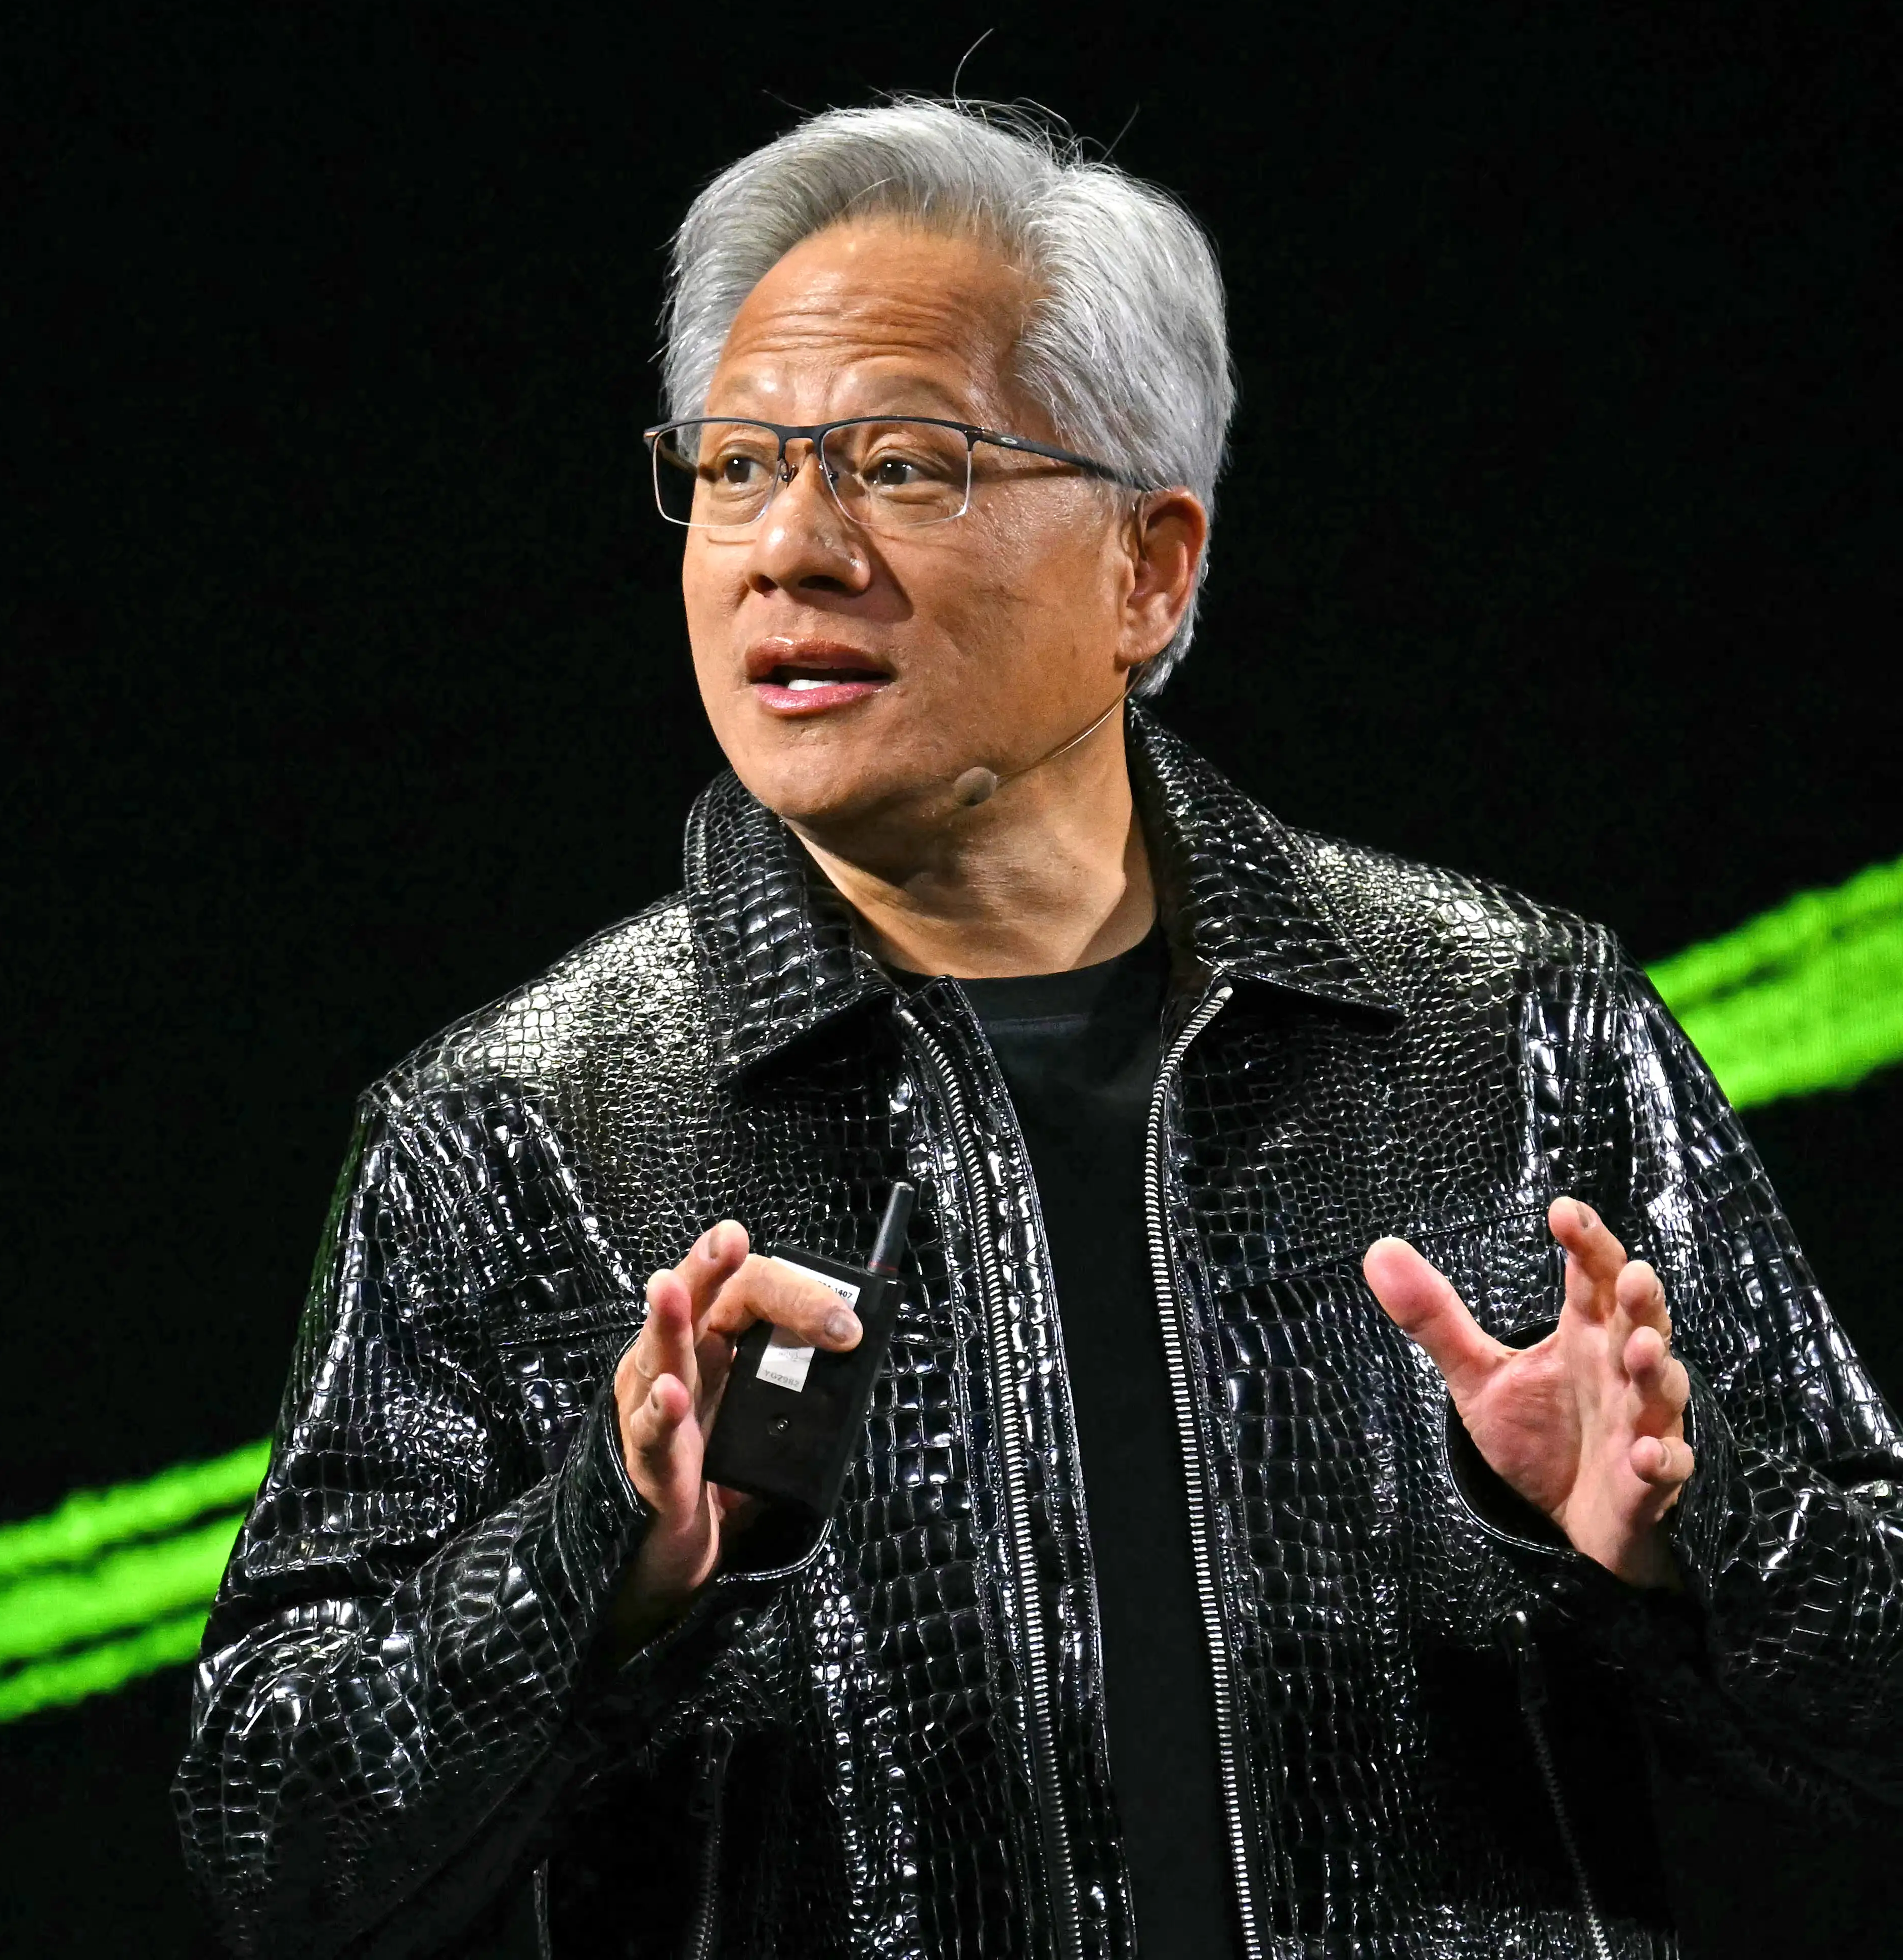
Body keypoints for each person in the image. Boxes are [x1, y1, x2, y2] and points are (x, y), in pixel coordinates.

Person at [170, 100, 1901, 1958]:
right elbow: (279, 1843)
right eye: (738, 464)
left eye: (905, 466)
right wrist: (603, 1559)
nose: (791, 548)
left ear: (1149, 566)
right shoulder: (515, 1124)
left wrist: (1689, 1529)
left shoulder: (1511, 1025)